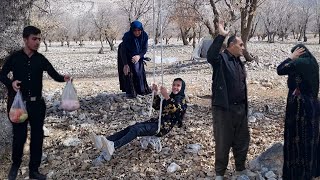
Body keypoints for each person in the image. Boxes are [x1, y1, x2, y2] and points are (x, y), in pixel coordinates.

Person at [0, 26, 71, 180]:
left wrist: (63, 78)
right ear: (25, 39)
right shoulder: (15, 57)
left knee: (37, 138)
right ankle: (15, 165)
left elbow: (54, 74)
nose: (38, 42)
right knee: (19, 137)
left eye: (39, 39)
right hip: (19, 104)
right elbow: (2, 74)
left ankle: (34, 170)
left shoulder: (41, 59)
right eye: (34, 38)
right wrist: (11, 83)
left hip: (38, 105)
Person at [90, 78, 187, 161]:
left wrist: (166, 96)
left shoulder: (182, 100)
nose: (175, 87)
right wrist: (155, 93)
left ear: (182, 88)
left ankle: (113, 145)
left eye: (178, 85)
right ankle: (105, 140)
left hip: (162, 127)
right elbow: (157, 106)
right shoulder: (172, 97)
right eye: (174, 85)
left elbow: (175, 108)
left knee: (136, 130)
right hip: (156, 122)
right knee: (132, 127)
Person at [207, 21, 254, 180]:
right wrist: (221, 35)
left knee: (242, 139)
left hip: (240, 109)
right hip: (224, 110)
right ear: (232, 45)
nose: (243, 48)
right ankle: (220, 172)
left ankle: (240, 168)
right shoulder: (221, 60)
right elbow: (210, 55)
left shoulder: (238, 61)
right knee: (223, 141)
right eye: (241, 45)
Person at [277, 44, 320, 180]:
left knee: (298, 140)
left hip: (300, 110)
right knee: (310, 140)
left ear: (298, 53)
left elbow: (280, 69)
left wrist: (291, 57)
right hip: (312, 106)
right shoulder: (312, 62)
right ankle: (311, 172)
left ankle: (298, 174)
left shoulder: (300, 62)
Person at [119, 20, 151, 98]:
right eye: (135, 30)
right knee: (128, 72)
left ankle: (140, 90)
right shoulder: (127, 37)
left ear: (141, 30)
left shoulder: (144, 36)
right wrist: (125, 64)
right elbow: (123, 51)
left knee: (138, 71)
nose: (137, 32)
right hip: (126, 55)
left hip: (138, 56)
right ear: (132, 30)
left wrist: (139, 56)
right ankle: (130, 92)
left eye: (138, 30)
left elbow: (144, 49)